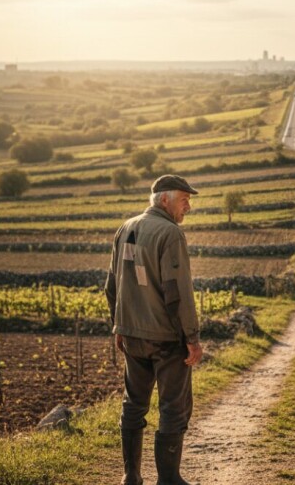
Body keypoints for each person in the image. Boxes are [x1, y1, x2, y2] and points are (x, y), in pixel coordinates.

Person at [105, 174, 203, 485]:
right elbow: (178, 292)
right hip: (165, 338)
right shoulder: (170, 233)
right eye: (184, 199)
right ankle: (169, 479)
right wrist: (192, 338)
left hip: (132, 335)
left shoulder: (126, 228)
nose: (188, 206)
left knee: (133, 403)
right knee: (174, 407)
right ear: (164, 200)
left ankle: (131, 477)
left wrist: (118, 324)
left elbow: (112, 284)